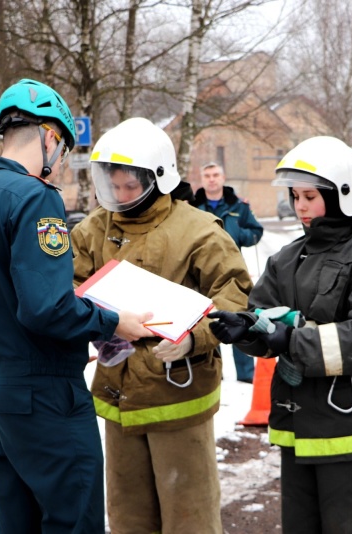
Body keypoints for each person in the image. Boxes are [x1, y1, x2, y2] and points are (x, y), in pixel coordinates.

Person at [0, 79, 153, 533]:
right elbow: (45, 309)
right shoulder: (36, 198)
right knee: (73, 518)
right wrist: (115, 322)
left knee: (18, 519)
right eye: (62, 149)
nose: (58, 167)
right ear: (50, 137)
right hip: (46, 395)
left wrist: (11, 349)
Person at [209, 136, 352, 533]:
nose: (299, 206)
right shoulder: (286, 258)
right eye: (295, 196)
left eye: (310, 196)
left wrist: (290, 339)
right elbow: (263, 318)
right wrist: (246, 330)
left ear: (343, 195)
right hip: (298, 431)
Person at [69, 117, 252, 534]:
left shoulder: (198, 230)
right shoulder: (94, 229)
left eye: (130, 186)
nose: (119, 195)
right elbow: (71, 284)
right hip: (119, 397)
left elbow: (234, 294)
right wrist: (97, 323)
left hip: (179, 397)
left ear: (158, 178)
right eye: (112, 185)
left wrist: (194, 340)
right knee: (129, 518)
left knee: (189, 518)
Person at [192, 162, 264, 382]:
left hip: (233, 272)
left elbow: (255, 232)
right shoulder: (193, 206)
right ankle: (214, 375)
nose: (211, 179)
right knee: (208, 321)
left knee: (238, 319)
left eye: (215, 175)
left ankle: (246, 377)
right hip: (201, 273)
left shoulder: (239, 206)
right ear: (202, 180)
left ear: (223, 178)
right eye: (207, 175)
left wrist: (235, 233)